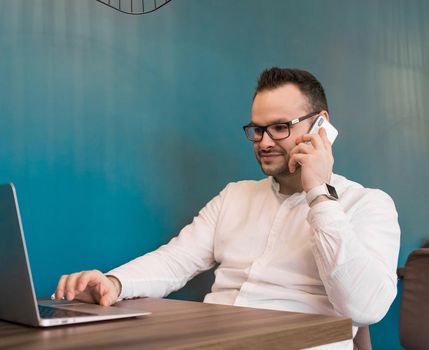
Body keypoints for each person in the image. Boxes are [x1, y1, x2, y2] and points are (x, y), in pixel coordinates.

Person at [54, 67, 401, 349]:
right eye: (257, 130)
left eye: (280, 128)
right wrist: (114, 282)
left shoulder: (369, 204)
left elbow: (366, 307)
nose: (264, 142)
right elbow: (176, 260)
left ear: (321, 126)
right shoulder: (235, 196)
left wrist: (319, 193)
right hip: (214, 340)